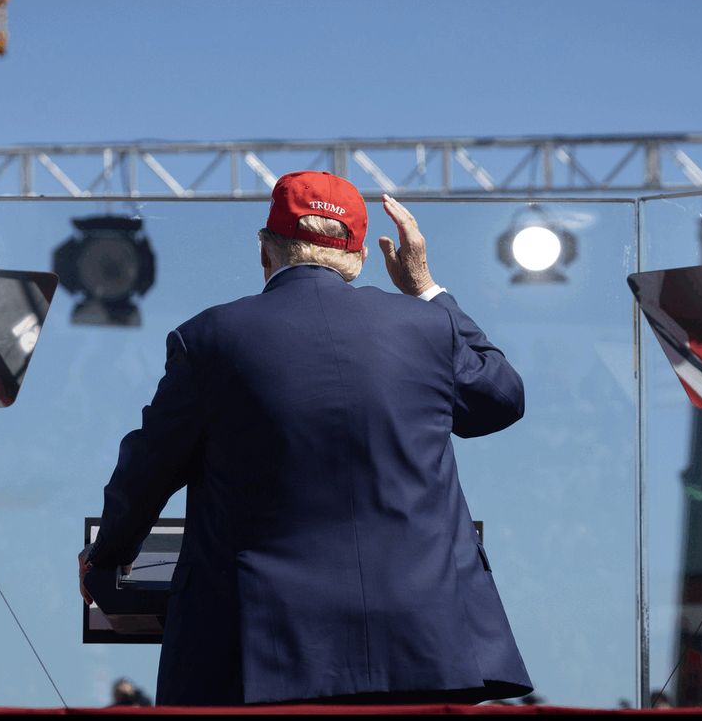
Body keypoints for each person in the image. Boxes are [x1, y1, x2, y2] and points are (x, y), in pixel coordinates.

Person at [79, 171, 531, 706]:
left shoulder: (210, 339)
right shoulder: (429, 327)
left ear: (265, 250)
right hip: (424, 647)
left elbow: (149, 468)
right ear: (360, 257)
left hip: (265, 653)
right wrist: (426, 289)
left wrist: (107, 555)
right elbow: (501, 398)